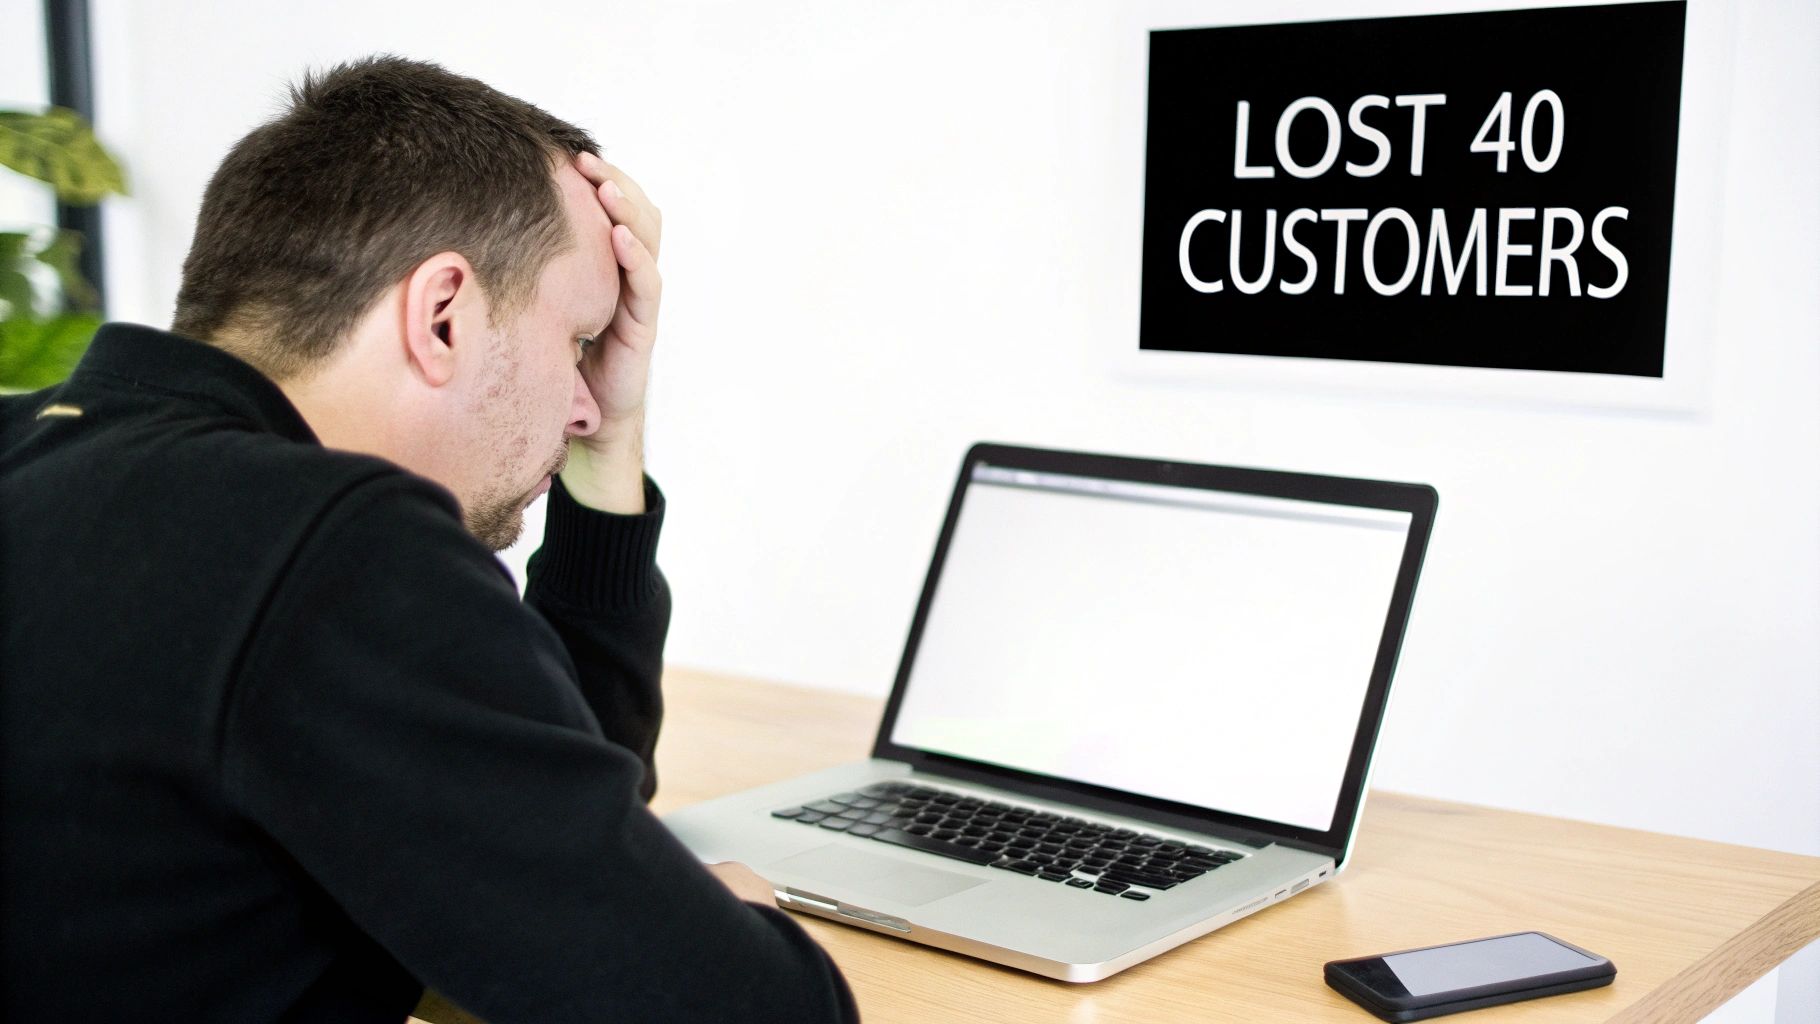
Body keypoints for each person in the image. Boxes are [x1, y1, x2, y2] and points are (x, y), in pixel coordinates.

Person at [0, 56, 858, 1023]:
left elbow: (529, 796)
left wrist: (610, 441)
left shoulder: (39, 453)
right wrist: (730, 920)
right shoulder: (332, 546)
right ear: (442, 314)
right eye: (579, 342)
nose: (586, 404)